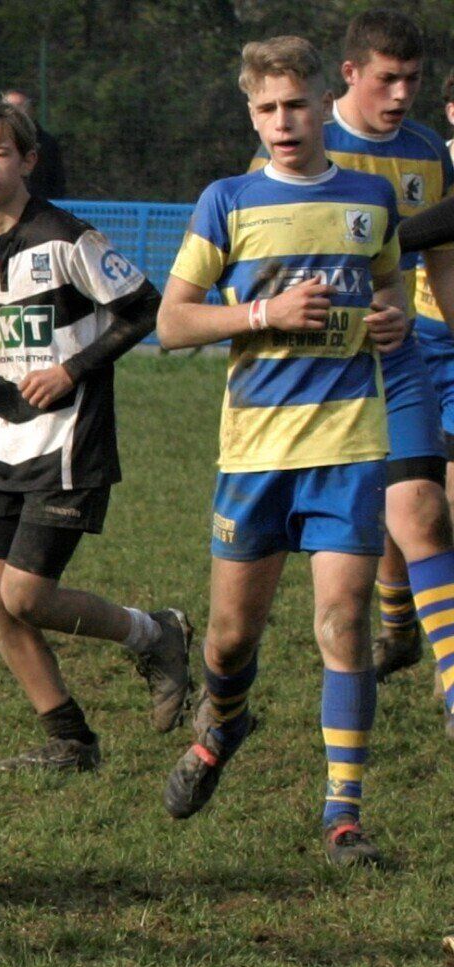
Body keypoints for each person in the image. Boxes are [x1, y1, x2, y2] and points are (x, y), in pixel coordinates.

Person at [155, 35, 409, 866]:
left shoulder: (371, 198)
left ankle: (344, 816)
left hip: (349, 442)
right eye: (266, 108)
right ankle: (223, 724)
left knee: (343, 619)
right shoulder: (227, 201)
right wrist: (266, 314)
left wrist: (393, 317)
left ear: (322, 105)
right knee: (229, 640)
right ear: (252, 115)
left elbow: (390, 287)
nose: (282, 121)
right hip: (255, 451)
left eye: (295, 104)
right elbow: (172, 322)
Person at [0, 101, 187, 772]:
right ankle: (70, 738)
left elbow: (145, 308)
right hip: (3, 445)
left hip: (70, 443)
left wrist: (71, 370)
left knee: (25, 594)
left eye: (0, 153)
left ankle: (156, 634)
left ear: (28, 161)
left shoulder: (67, 239)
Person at [283, 11, 454, 727]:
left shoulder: (428, 151)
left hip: (400, 354)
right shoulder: (307, 144)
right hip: (321, 370)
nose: (402, 93)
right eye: (388, 78)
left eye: (412, 79)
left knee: (422, 508)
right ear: (350, 73)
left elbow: (442, 261)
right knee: (371, 520)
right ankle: (397, 624)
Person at [1, 89, 67, 199]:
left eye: (19, 106)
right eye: (8, 106)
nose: (13, 111)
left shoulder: (47, 143)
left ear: (31, 110)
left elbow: (57, 182)